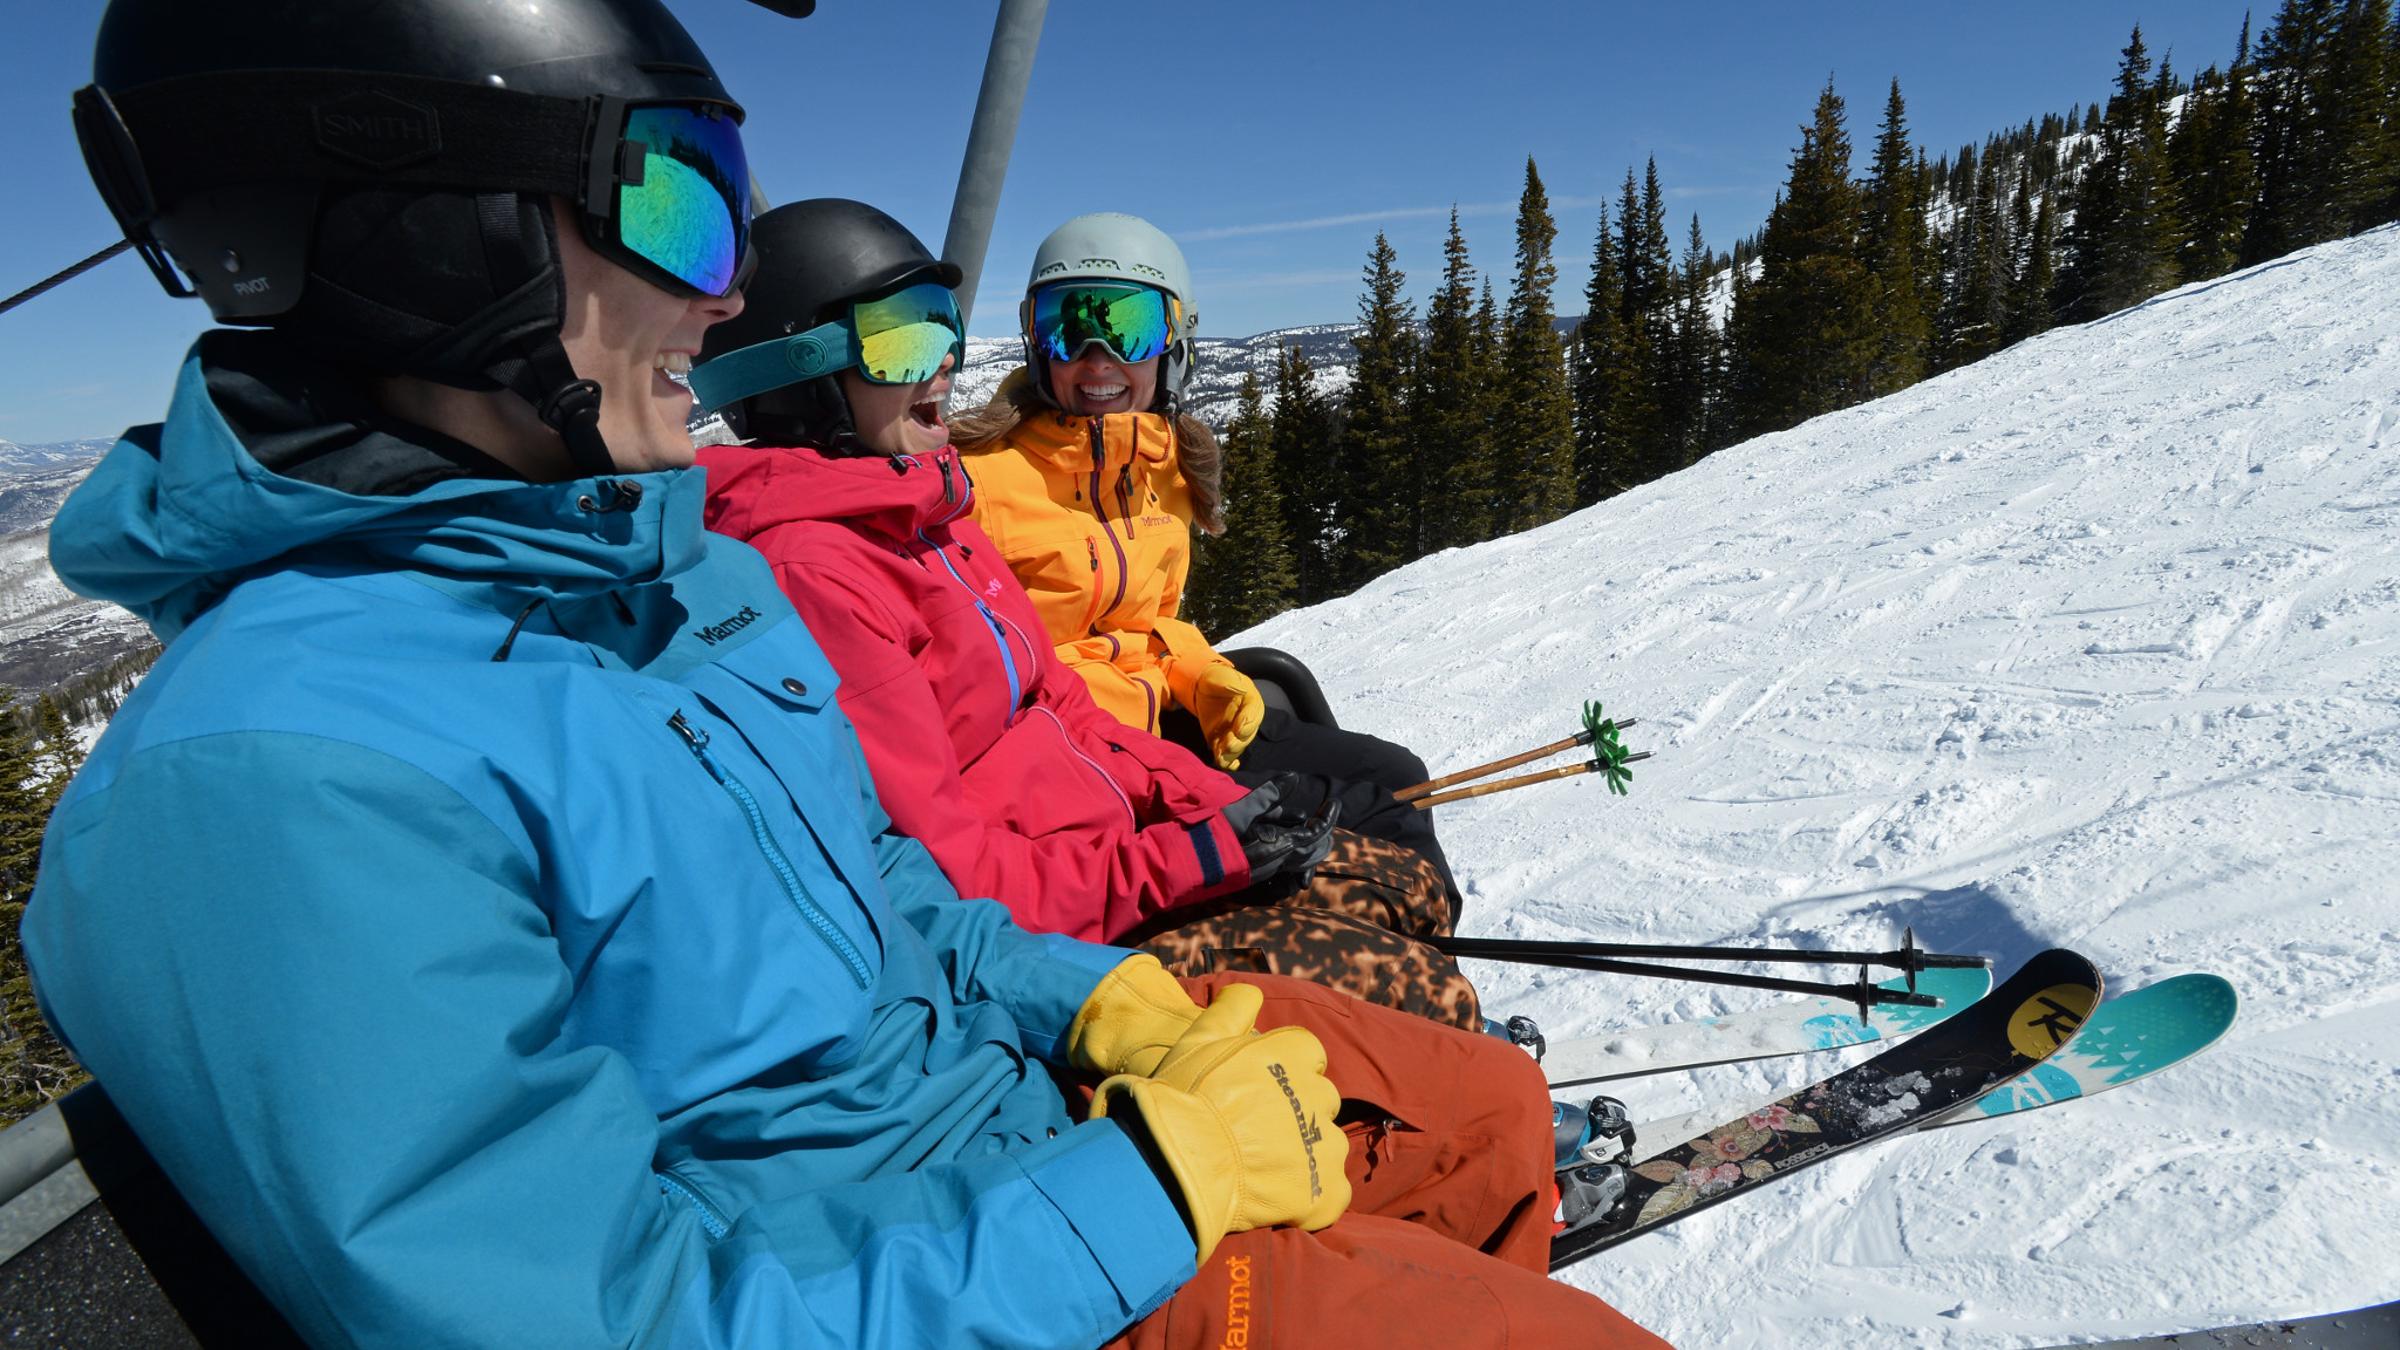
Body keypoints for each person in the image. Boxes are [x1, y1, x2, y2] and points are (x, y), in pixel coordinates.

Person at [23, 2, 1664, 1346]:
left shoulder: (681, 587)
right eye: (678, 200)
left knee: (1478, 1114)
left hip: (1015, 1121)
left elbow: (894, 893)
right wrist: (1150, 1194)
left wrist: (1090, 997)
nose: (727, 290)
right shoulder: (282, 778)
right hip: (924, 1269)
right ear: (439, 242)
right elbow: (614, 1319)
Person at [690, 198, 1478, 1029]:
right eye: (902, 339)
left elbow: (1063, 697)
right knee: (1415, 982)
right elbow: (947, 863)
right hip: (1065, 902)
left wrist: (1205, 783)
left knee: (1404, 875)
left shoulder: (938, 515)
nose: (944, 364)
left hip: (1113, 808)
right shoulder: (844, 563)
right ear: (802, 375)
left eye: (942, 327)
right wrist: (1195, 849)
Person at [954, 212, 1461, 909]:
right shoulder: (973, 486)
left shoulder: (1164, 468)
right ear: (1036, 343)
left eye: (1130, 327)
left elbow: (1149, 627)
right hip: (1077, 757)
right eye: (1067, 326)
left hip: (1158, 719)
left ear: (1175, 343)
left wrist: (1200, 674)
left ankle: (1423, 957)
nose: (1097, 357)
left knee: (1399, 775)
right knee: (1375, 823)